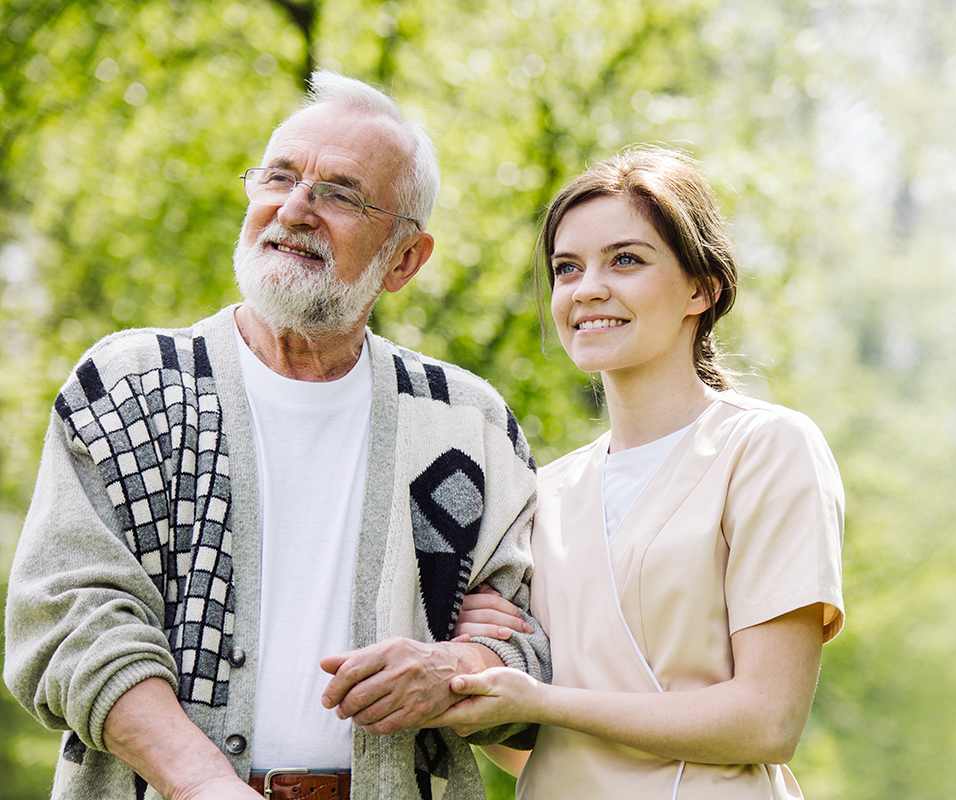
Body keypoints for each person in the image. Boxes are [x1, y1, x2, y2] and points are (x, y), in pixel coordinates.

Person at [3, 70, 548, 800]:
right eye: (280, 178)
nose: (295, 208)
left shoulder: (466, 422)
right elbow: (69, 619)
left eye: (341, 194)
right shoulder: (129, 388)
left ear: (405, 259)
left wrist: (455, 666)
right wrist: (203, 785)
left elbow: (530, 651)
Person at [433, 146, 845, 799]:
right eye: (567, 268)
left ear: (700, 289)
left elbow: (768, 721)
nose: (587, 287)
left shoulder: (766, 448)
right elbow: (539, 749)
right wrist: (478, 677)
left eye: (625, 259)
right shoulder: (543, 492)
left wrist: (543, 701)